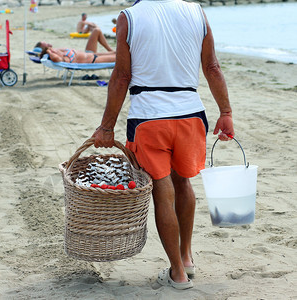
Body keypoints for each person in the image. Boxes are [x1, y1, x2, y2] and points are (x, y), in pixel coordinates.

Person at [92, 0, 234, 290]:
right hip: (191, 115)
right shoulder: (197, 12)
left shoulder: (128, 17)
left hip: (149, 117)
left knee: (162, 188)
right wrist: (226, 113)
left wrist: (106, 127)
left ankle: (178, 274)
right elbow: (212, 67)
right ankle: (187, 257)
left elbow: (121, 76)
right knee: (184, 183)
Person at [36, 41, 115, 64]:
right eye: (50, 49)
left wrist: (49, 49)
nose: (52, 49)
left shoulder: (60, 52)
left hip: (92, 55)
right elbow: (55, 59)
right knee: (120, 57)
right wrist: (48, 51)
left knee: (116, 52)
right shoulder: (62, 58)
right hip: (94, 60)